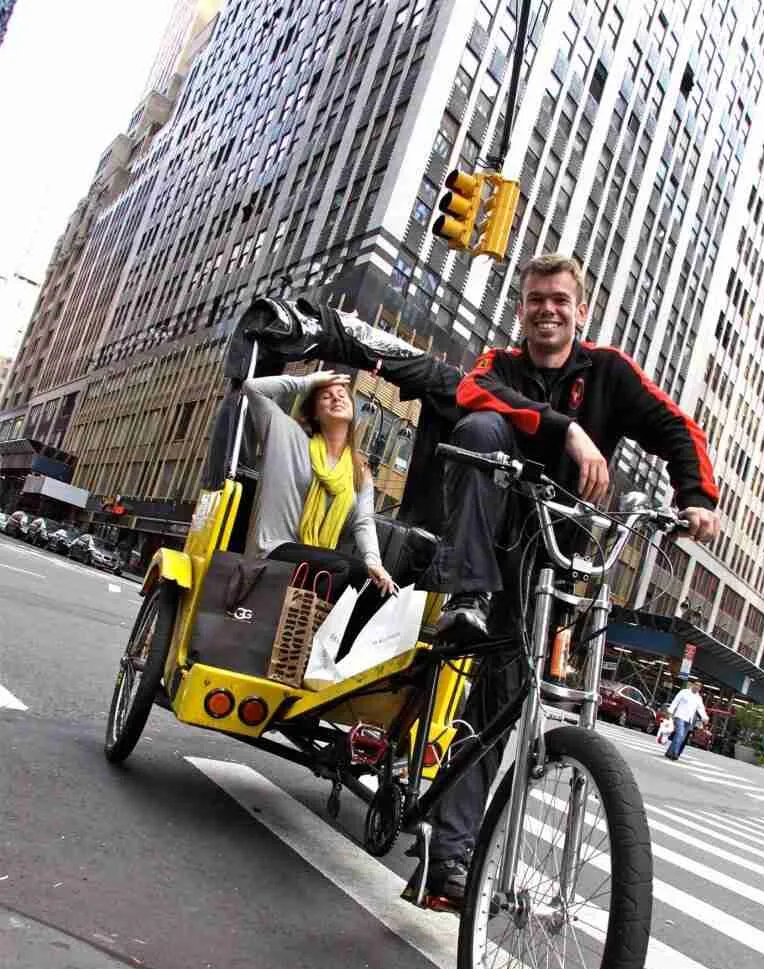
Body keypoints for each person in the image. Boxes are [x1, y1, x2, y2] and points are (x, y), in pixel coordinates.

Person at [414, 253, 721, 908]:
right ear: (521, 307)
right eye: (535, 299)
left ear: (581, 311)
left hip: (555, 561)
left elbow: (674, 424)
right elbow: (473, 396)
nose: (547, 309)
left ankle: (447, 859)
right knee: (482, 427)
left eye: (560, 300)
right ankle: (464, 596)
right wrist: (568, 431)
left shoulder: (607, 371)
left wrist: (696, 496)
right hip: (487, 550)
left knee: (497, 705)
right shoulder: (498, 365)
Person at [242, 368, 396, 594]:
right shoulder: (287, 435)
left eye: (342, 395)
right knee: (345, 569)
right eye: (326, 396)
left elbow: (364, 522)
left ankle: (322, 625)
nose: (336, 397)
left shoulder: (359, 471)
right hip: (273, 551)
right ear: (314, 413)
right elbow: (253, 388)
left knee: (377, 586)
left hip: (319, 559)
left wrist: (375, 562)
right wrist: (307, 382)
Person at [665, 680, 709, 760]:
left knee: (680, 737)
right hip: (680, 717)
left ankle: (669, 752)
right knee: (680, 735)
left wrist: (705, 717)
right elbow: (675, 701)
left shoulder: (698, 698)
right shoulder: (684, 692)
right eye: (696, 685)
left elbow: (701, 709)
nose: (697, 687)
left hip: (689, 720)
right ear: (692, 685)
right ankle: (675, 753)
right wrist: (670, 711)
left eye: (699, 686)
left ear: (700, 689)